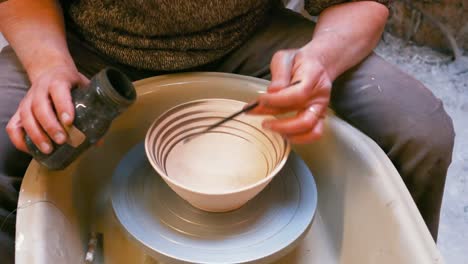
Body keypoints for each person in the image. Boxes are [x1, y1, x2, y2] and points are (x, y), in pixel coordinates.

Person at [0, 0, 455, 262]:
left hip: (247, 36)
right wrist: (48, 66)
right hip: (86, 44)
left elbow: (359, 2)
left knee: (418, 131)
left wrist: (321, 58)